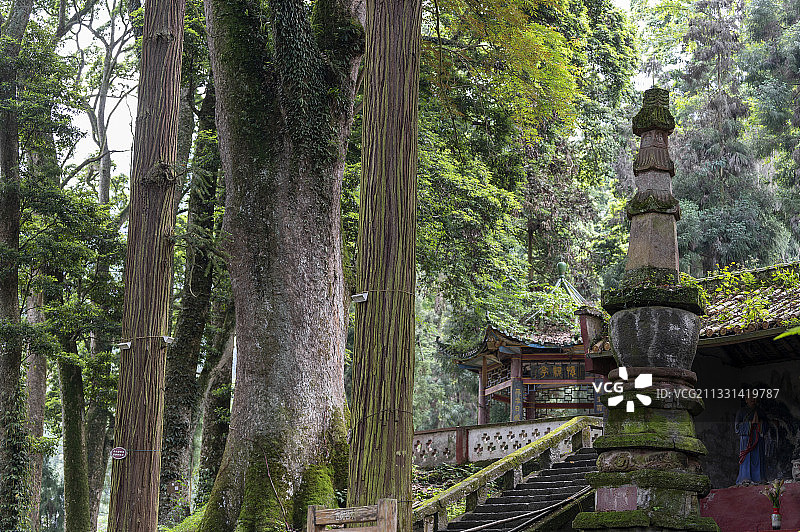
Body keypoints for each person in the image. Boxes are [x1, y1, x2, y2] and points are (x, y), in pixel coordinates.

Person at [735, 396, 767, 485]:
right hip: (746, 440)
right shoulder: (741, 412)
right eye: (751, 397)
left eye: (755, 397)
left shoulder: (760, 412)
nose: (753, 399)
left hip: (758, 439)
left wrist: (760, 424)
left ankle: (760, 477)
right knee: (747, 458)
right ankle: (745, 477)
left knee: (759, 457)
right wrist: (750, 424)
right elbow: (737, 428)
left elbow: (766, 426)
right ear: (746, 399)